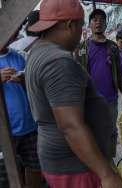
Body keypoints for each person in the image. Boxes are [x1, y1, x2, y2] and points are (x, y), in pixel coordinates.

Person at [25, 0, 122, 187]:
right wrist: (106, 174)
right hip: (74, 166)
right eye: (80, 26)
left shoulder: (39, 51)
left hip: (62, 160)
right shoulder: (58, 62)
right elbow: (71, 126)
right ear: (69, 25)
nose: (81, 33)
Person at [0, 32, 42, 188]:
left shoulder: (19, 56)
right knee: (7, 175)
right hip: (5, 131)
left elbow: (32, 87)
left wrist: (24, 80)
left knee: (35, 168)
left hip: (28, 126)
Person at [77, 9, 122, 126]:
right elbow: (76, 76)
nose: (98, 23)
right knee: (93, 134)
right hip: (91, 101)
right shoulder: (82, 48)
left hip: (110, 99)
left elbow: (119, 72)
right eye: (95, 20)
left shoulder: (113, 47)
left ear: (106, 24)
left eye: (102, 20)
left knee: (111, 132)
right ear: (90, 24)